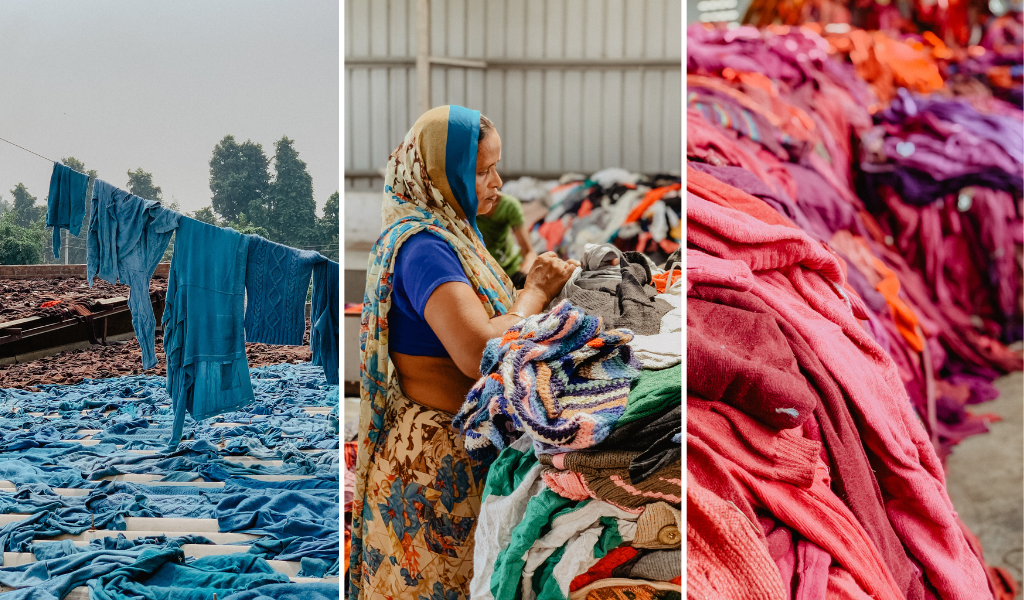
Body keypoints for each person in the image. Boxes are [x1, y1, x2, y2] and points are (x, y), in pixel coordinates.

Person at [350, 105, 579, 600]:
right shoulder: (424, 247)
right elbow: (479, 350)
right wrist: (533, 295)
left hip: (453, 447)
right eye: (480, 171)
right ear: (440, 175)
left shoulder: (451, 234)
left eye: (495, 167)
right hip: (437, 465)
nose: (497, 181)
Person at [476, 191, 539, 289]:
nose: (496, 183)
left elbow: (529, 252)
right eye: (482, 174)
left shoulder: (509, 205)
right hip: (485, 273)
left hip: (511, 269)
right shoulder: (461, 210)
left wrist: (527, 270)